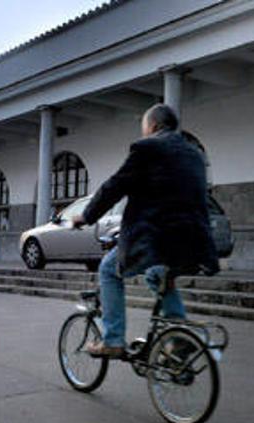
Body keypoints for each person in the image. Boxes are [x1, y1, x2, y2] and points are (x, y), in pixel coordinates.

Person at [72, 103, 219, 358]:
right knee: (159, 275)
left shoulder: (147, 147)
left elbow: (115, 186)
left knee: (108, 270)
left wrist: (85, 216)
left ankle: (113, 340)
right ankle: (178, 334)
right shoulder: (194, 154)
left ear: (152, 126)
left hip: (158, 236)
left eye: (144, 128)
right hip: (195, 241)